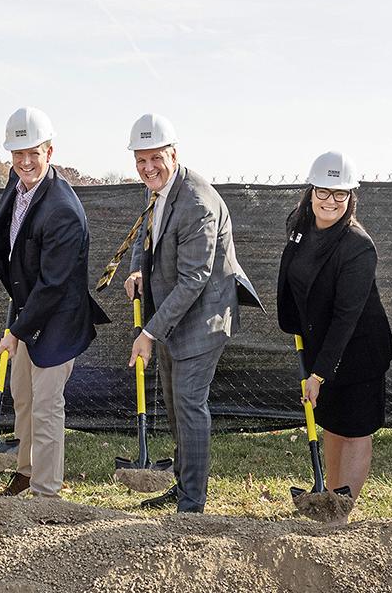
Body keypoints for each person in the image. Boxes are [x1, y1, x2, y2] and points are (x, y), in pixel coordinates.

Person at [110, 113, 261, 513]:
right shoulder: (158, 191)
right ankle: (183, 486)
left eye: (155, 158)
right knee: (177, 406)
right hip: (172, 315)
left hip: (203, 319)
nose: (147, 168)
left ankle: (193, 504)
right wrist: (136, 270)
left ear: (173, 154)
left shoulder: (196, 202)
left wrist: (149, 332)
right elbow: (147, 236)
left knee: (190, 405)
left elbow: (195, 279)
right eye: (140, 160)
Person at [0, 107, 110, 497]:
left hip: (57, 319)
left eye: (33, 153)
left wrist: (15, 332)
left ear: (49, 152)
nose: (25, 161)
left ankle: (46, 493)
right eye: (17, 154)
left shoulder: (63, 211)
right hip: (31, 310)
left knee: (45, 407)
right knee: (22, 397)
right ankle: (25, 472)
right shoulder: (19, 183)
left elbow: (54, 284)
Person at [276, 151, 392, 502]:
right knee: (332, 423)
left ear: (350, 197)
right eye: (324, 191)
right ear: (311, 191)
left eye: (340, 193)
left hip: (358, 350)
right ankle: (329, 495)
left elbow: (347, 316)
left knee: (355, 429)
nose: (331, 200)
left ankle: (343, 507)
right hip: (322, 344)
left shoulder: (358, 247)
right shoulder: (301, 227)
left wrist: (318, 375)